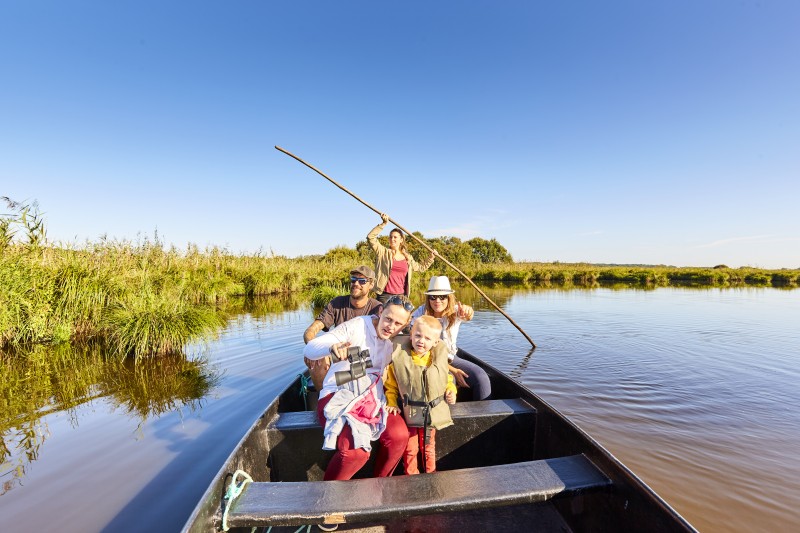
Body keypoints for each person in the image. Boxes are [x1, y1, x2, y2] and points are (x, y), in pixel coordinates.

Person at [303, 296, 417, 484]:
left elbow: (431, 339)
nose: (390, 326)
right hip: (338, 394)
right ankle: (328, 497)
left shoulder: (396, 342)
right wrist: (332, 347)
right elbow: (311, 349)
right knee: (356, 453)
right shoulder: (356, 326)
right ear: (380, 312)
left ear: (405, 325)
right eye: (388, 319)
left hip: (372, 399)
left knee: (399, 436)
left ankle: (379, 486)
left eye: (398, 323)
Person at [384, 315, 456, 474]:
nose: (421, 341)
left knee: (428, 448)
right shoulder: (400, 359)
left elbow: (447, 379)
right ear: (411, 335)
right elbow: (391, 386)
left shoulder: (436, 360)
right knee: (410, 449)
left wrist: (452, 391)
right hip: (409, 414)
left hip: (430, 414)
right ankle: (412, 477)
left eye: (427, 338)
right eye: (417, 335)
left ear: (435, 342)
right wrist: (391, 402)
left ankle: (431, 475)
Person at [303, 266, 383, 391]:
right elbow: (311, 330)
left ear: (371, 284)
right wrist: (313, 348)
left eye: (362, 281)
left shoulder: (378, 308)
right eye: (353, 279)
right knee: (316, 360)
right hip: (339, 355)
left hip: (365, 358)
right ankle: (323, 400)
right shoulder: (337, 303)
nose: (356, 284)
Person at [411, 276, 491, 401]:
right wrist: (453, 370)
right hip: (427, 359)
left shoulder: (455, 311)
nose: (437, 300)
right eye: (433, 297)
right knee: (450, 381)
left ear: (449, 298)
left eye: (442, 296)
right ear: (428, 298)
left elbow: (468, 314)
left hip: (450, 357)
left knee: (481, 378)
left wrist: (469, 311)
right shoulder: (420, 313)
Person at [367, 213, 435, 305]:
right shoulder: (383, 252)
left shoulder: (407, 257)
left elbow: (421, 268)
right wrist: (383, 224)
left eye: (395, 237)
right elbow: (370, 237)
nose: (392, 239)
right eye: (390, 237)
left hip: (402, 296)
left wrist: (431, 258)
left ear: (401, 240)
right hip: (384, 296)